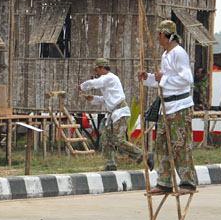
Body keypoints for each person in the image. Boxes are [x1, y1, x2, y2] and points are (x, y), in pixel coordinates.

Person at [139, 20, 197, 195]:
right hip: (167, 106)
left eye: (159, 34)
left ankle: (188, 182)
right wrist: (148, 77)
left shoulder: (179, 53)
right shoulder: (166, 54)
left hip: (180, 106)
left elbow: (187, 79)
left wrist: (162, 78)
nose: (157, 38)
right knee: (162, 145)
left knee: (180, 144)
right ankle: (164, 182)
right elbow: (162, 80)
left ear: (165, 35)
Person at [79, 58, 153, 172]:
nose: (96, 72)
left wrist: (82, 86)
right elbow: (107, 100)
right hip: (114, 113)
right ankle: (111, 164)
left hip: (120, 112)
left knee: (117, 139)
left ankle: (144, 155)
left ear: (102, 68)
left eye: (97, 69)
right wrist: (93, 99)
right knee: (106, 139)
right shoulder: (107, 80)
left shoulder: (109, 78)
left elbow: (94, 83)